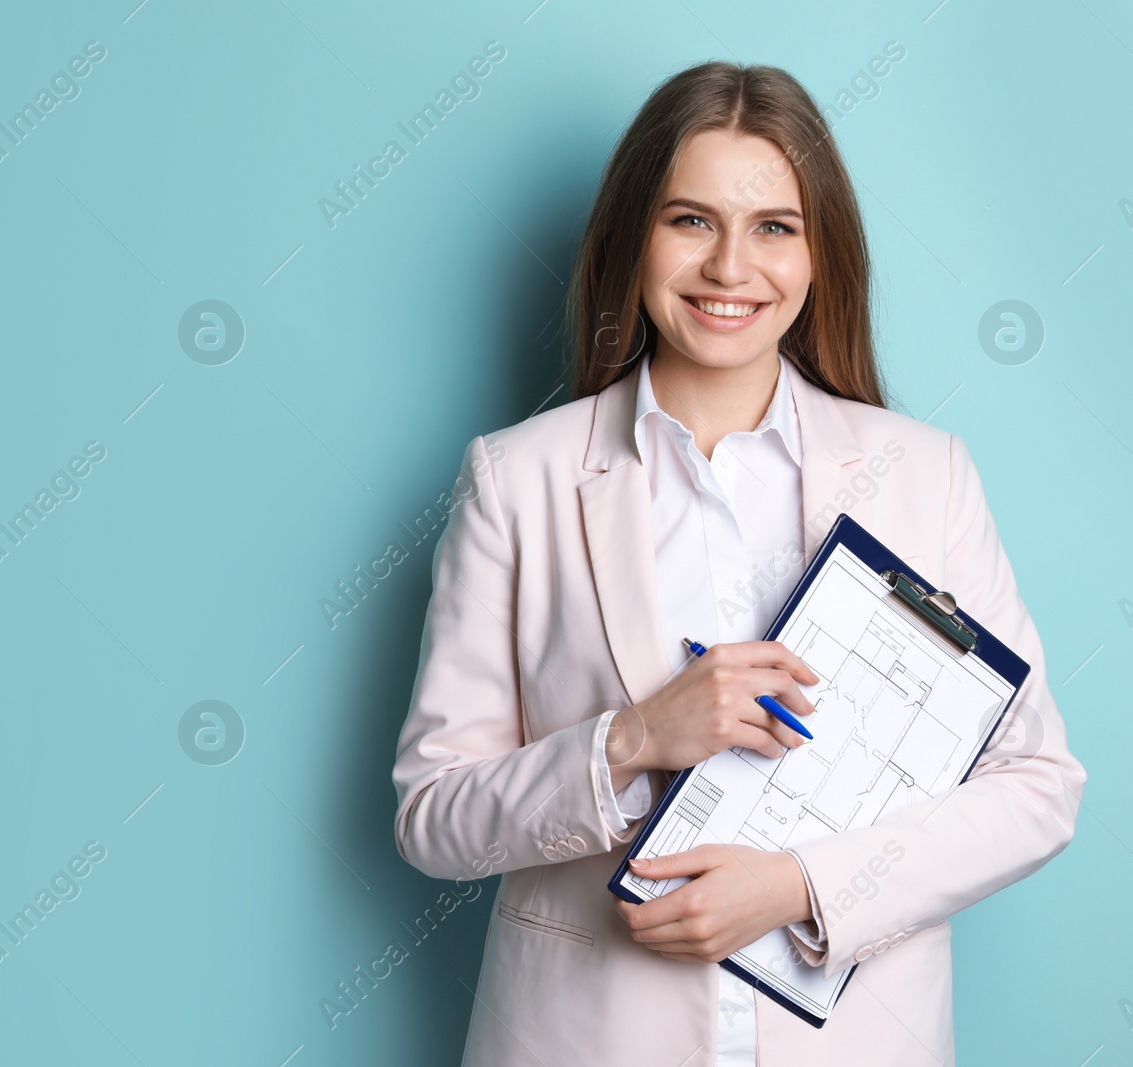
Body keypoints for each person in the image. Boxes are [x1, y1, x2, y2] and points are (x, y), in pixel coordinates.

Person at [390, 61, 1085, 1066]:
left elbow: (1036, 783)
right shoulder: (516, 479)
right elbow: (430, 817)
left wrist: (803, 885)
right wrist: (630, 738)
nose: (729, 266)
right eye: (689, 220)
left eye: (773, 226)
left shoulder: (923, 474)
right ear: (634, 238)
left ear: (817, 254)